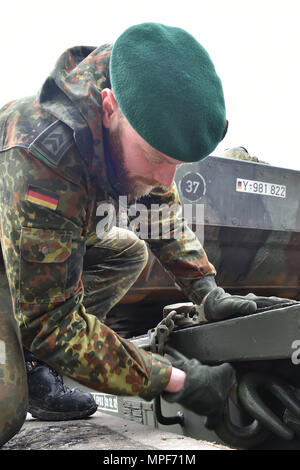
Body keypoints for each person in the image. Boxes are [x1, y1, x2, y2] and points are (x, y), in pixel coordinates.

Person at [0, 22, 291, 446]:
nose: (164, 178)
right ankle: (23, 365)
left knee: (127, 252)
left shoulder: (141, 118)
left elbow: (160, 213)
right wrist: (174, 379)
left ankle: (34, 362)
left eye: (176, 163)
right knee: (6, 406)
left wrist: (208, 292)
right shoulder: (41, 155)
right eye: (156, 158)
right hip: (10, 246)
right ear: (109, 107)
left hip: (42, 238)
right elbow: (50, 322)